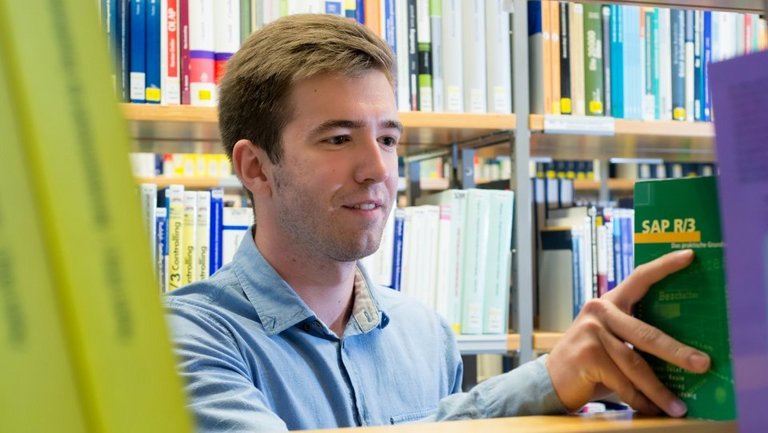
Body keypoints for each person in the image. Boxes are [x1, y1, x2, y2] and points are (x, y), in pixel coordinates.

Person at [164, 13, 710, 432]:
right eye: (338, 138)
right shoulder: (185, 339)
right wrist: (539, 382)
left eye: (388, 138)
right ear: (255, 167)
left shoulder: (426, 334)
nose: (378, 169)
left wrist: (551, 380)